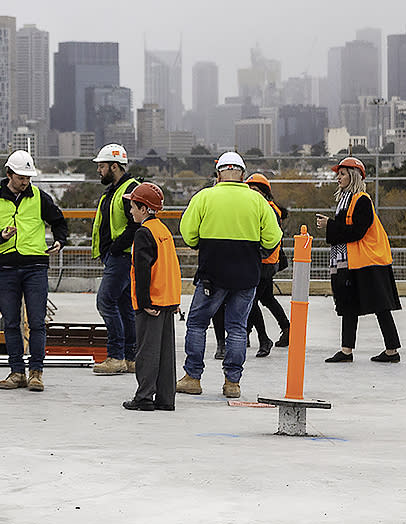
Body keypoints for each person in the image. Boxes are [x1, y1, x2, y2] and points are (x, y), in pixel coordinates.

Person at [176, 151, 282, 399]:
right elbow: (274, 237)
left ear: (218, 174)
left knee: (197, 323)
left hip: (212, 274)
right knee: (237, 327)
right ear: (243, 175)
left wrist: (200, 244)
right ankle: (232, 383)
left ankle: (193, 377)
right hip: (246, 275)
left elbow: (188, 232)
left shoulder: (205, 197)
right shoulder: (257, 201)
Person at [0, 150, 68, 392]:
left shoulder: (40, 197)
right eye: (21, 177)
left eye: (28, 178)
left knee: (37, 321)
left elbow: (59, 221)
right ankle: (16, 372)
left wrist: (60, 241)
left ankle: (36, 373)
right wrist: (0, 236)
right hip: (6, 266)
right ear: (9, 174)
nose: (25, 182)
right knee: (10, 322)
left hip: (35, 266)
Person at [318, 156, 403, 363]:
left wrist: (329, 225)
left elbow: (357, 232)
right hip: (354, 261)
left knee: (380, 306)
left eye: (343, 174)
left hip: (369, 261)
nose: (338, 177)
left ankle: (392, 351)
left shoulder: (361, 200)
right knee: (349, 305)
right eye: (338, 173)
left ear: (353, 176)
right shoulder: (346, 200)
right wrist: (332, 226)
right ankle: (347, 350)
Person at [123, 182, 181, 412]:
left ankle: (144, 397)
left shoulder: (143, 233)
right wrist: (175, 300)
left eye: (134, 207)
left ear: (144, 208)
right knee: (166, 353)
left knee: (147, 351)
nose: (131, 211)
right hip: (167, 300)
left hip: (151, 303)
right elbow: (172, 267)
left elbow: (143, 271)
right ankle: (166, 399)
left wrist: (144, 301)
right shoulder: (163, 230)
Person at [90, 143, 140, 375]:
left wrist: (117, 248)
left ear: (114, 166)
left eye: (102, 166)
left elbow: (135, 224)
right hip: (116, 256)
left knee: (105, 301)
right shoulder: (113, 189)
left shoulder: (130, 189)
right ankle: (131, 358)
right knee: (124, 307)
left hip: (122, 257)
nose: (99, 170)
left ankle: (116, 356)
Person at [244, 173, 291, 356]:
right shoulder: (266, 206)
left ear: (264, 193)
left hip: (264, 262)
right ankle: (286, 328)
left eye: (255, 190)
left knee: (251, 300)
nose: (251, 193)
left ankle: (263, 338)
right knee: (266, 298)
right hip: (265, 261)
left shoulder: (267, 209)